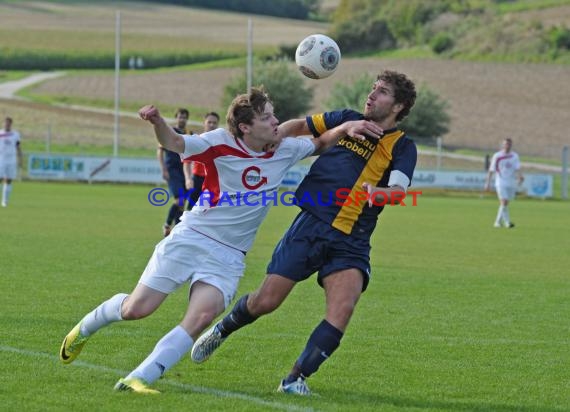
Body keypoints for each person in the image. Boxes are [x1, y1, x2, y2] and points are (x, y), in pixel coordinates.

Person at [59, 87, 380, 394]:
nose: (276, 122)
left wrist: (347, 127)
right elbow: (174, 142)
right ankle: (84, 329)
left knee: (201, 316)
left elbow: (320, 143)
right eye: (267, 117)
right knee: (136, 309)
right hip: (191, 238)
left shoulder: (286, 149)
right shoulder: (219, 142)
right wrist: (158, 123)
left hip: (228, 255)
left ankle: (138, 378)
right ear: (245, 127)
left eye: (274, 115)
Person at [191, 70, 418, 396]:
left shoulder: (402, 146)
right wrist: (269, 139)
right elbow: (299, 126)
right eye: (373, 88)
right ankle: (223, 328)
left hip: (353, 237)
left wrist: (379, 194)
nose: (371, 95)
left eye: (381, 92)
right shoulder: (347, 119)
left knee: (343, 309)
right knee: (266, 301)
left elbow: (398, 190)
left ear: (399, 105)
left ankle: (295, 379)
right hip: (311, 225)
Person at [157, 108, 191, 237]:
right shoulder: (170, 132)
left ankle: (176, 230)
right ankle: (167, 224)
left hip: (185, 171)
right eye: (180, 116)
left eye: (184, 117)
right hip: (172, 170)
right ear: (176, 118)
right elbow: (160, 151)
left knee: (182, 203)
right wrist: (163, 168)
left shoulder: (189, 133)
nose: (182, 119)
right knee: (179, 199)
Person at [183, 112, 220, 210]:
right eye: (209, 122)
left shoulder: (221, 143)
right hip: (198, 179)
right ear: (204, 123)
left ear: (218, 125)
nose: (212, 125)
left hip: (214, 181)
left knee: (210, 210)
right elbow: (187, 162)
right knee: (191, 210)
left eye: (214, 123)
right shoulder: (197, 140)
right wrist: (188, 179)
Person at [484, 138, 524, 228]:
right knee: (504, 201)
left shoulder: (515, 156)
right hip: (500, 182)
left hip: (511, 182)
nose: (507, 146)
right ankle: (501, 222)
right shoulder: (497, 156)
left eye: (509, 144)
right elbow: (491, 170)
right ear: (502, 145)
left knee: (505, 203)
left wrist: (520, 176)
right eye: (506, 144)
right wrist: (487, 183)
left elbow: (517, 168)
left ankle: (503, 222)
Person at [0, 117, 23, 208]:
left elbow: (18, 147)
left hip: (12, 159)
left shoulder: (15, 134)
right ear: (3, 123)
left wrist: (20, 158)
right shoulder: (0, 133)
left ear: (11, 124)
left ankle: (4, 202)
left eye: (9, 123)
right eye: (6, 123)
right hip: (1, 158)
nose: (7, 125)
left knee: (8, 180)